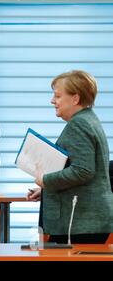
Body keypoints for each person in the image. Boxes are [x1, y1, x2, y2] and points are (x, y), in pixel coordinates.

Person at [27, 70, 113, 244]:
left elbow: (83, 171)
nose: (53, 101)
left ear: (75, 99)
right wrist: (46, 189)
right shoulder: (88, 119)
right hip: (86, 220)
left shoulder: (79, 124)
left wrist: (46, 180)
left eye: (58, 96)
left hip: (80, 221)